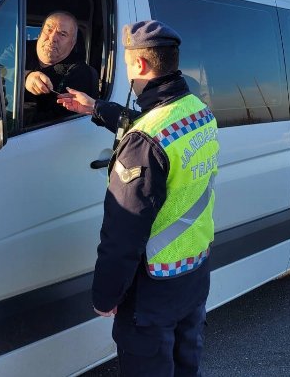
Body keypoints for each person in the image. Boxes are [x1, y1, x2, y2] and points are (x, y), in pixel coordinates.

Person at [58, 20, 219, 376]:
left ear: (141, 65)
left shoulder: (144, 141)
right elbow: (151, 124)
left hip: (151, 290)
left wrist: (106, 296)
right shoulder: (197, 111)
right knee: (186, 365)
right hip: (193, 273)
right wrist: (96, 107)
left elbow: (123, 233)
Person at [23, 11, 97, 124]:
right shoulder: (19, 49)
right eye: (49, 30)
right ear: (40, 33)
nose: (52, 38)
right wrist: (24, 76)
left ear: (72, 43)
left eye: (62, 34)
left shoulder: (80, 73)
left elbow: (58, 121)